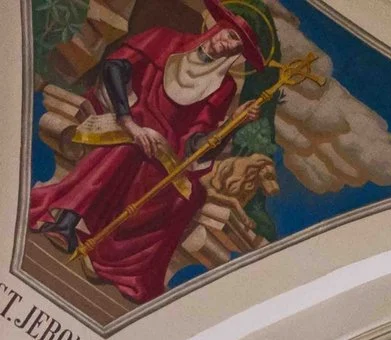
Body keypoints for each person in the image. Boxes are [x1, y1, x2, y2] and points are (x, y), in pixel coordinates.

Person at [28, 1, 275, 302]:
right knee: (129, 149)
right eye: (229, 32)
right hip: (126, 116)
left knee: (187, 196)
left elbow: (198, 141)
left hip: (167, 147)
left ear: (237, 53)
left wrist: (233, 126)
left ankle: (114, 261)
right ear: (217, 27)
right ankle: (66, 221)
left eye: (236, 41)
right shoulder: (166, 39)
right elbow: (116, 68)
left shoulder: (222, 88)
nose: (227, 41)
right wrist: (131, 122)